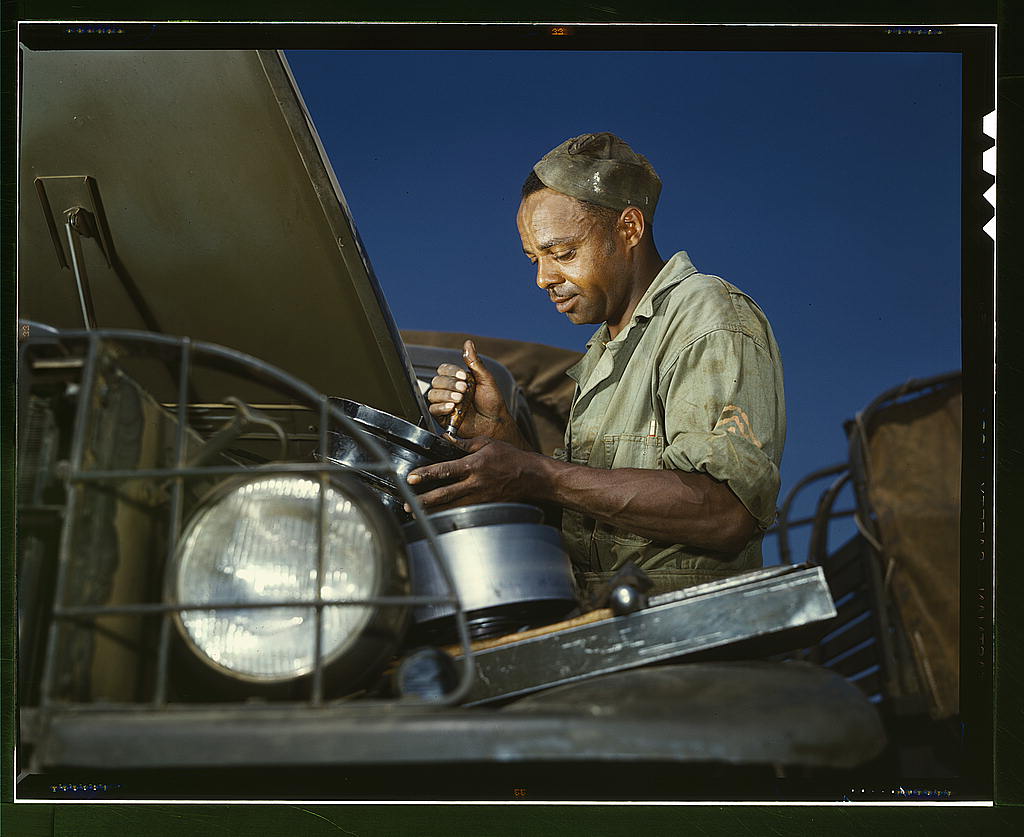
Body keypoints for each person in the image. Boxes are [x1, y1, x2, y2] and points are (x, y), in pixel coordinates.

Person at [408, 132, 785, 597]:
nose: (545, 278)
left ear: (629, 228)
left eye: (563, 253)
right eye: (534, 259)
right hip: (609, 623)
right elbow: (585, 511)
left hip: (690, 633)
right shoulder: (607, 352)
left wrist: (535, 473)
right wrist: (504, 438)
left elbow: (725, 512)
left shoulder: (706, 313)